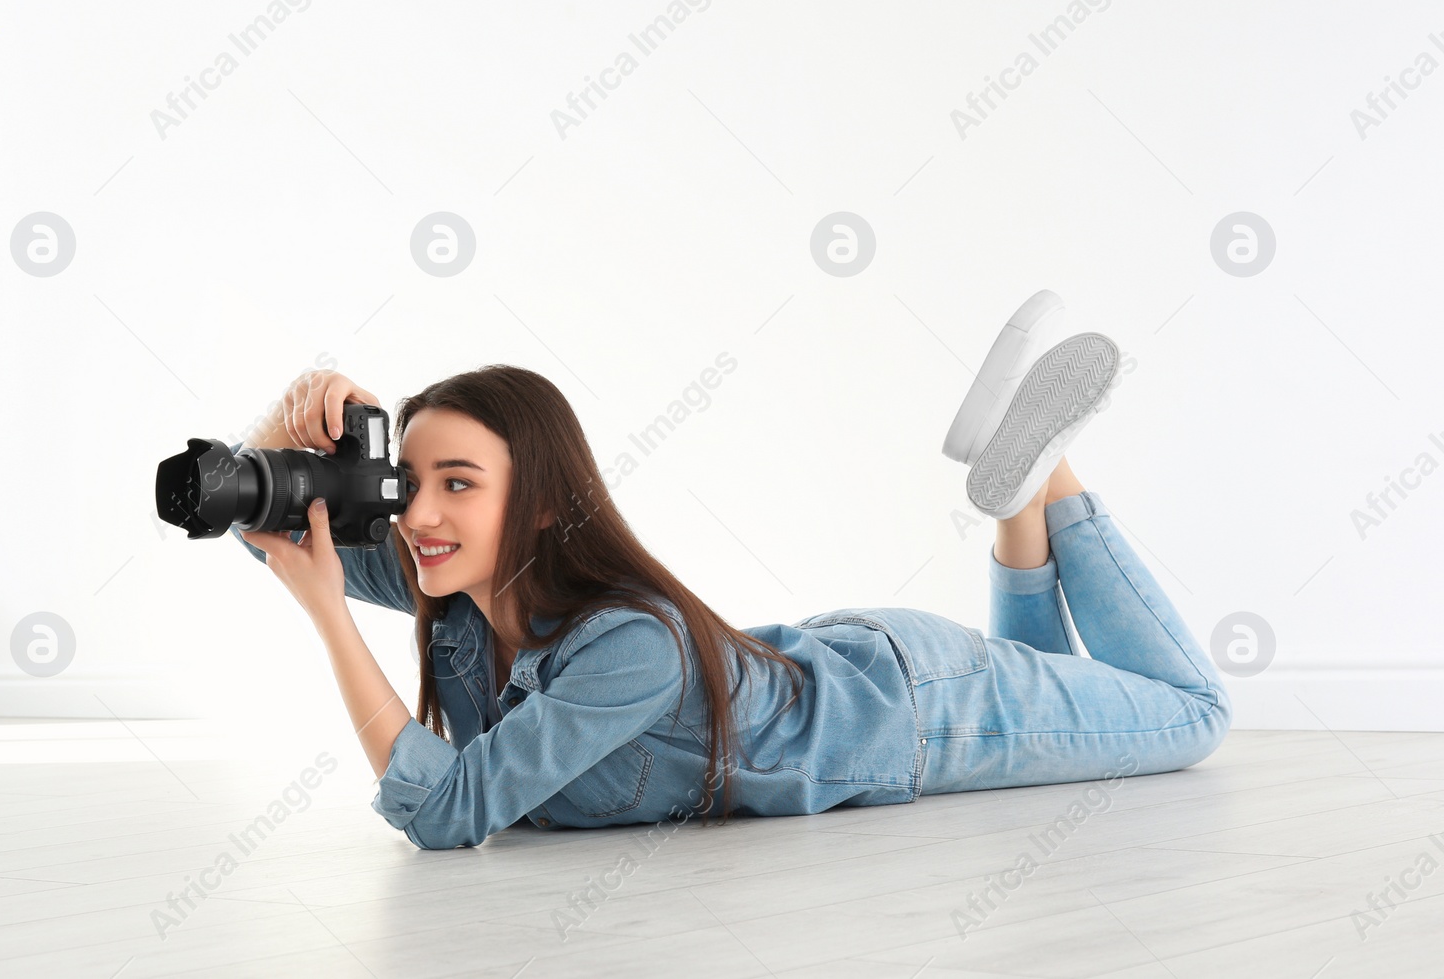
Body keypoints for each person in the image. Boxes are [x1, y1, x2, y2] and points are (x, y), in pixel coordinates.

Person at [232, 289, 1232, 850]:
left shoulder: (629, 642)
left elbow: (449, 810)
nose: (422, 511)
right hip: (864, 661)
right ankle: (1016, 489)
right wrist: (284, 434)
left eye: (459, 482)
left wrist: (330, 618)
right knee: (1057, 683)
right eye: (407, 482)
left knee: (1190, 714)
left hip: (916, 712)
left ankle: (1045, 463)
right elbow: (271, 533)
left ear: (537, 500)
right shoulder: (452, 587)